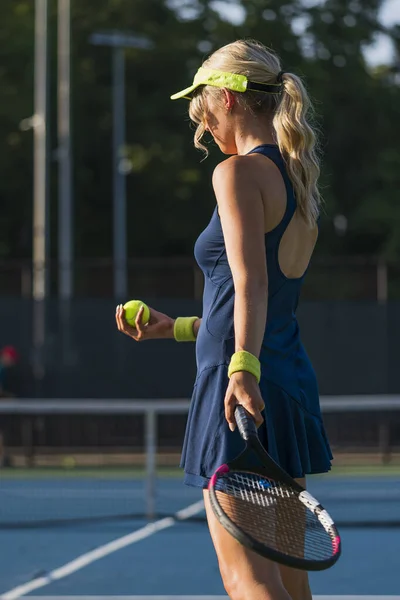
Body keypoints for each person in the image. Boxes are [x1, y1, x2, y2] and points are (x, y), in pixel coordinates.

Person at [116, 39, 332, 600]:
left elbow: (250, 284)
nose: (203, 121)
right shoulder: (297, 184)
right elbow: (255, 300)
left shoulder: (236, 174)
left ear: (230, 100)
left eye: (204, 106)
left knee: (247, 581)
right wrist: (177, 328)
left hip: (242, 385)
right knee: (289, 582)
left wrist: (240, 370)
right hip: (282, 383)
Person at [0, 345, 19, 467]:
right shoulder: (1, 369)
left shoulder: (4, 370)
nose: (12, 362)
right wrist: (9, 398)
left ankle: (2, 458)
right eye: (11, 358)